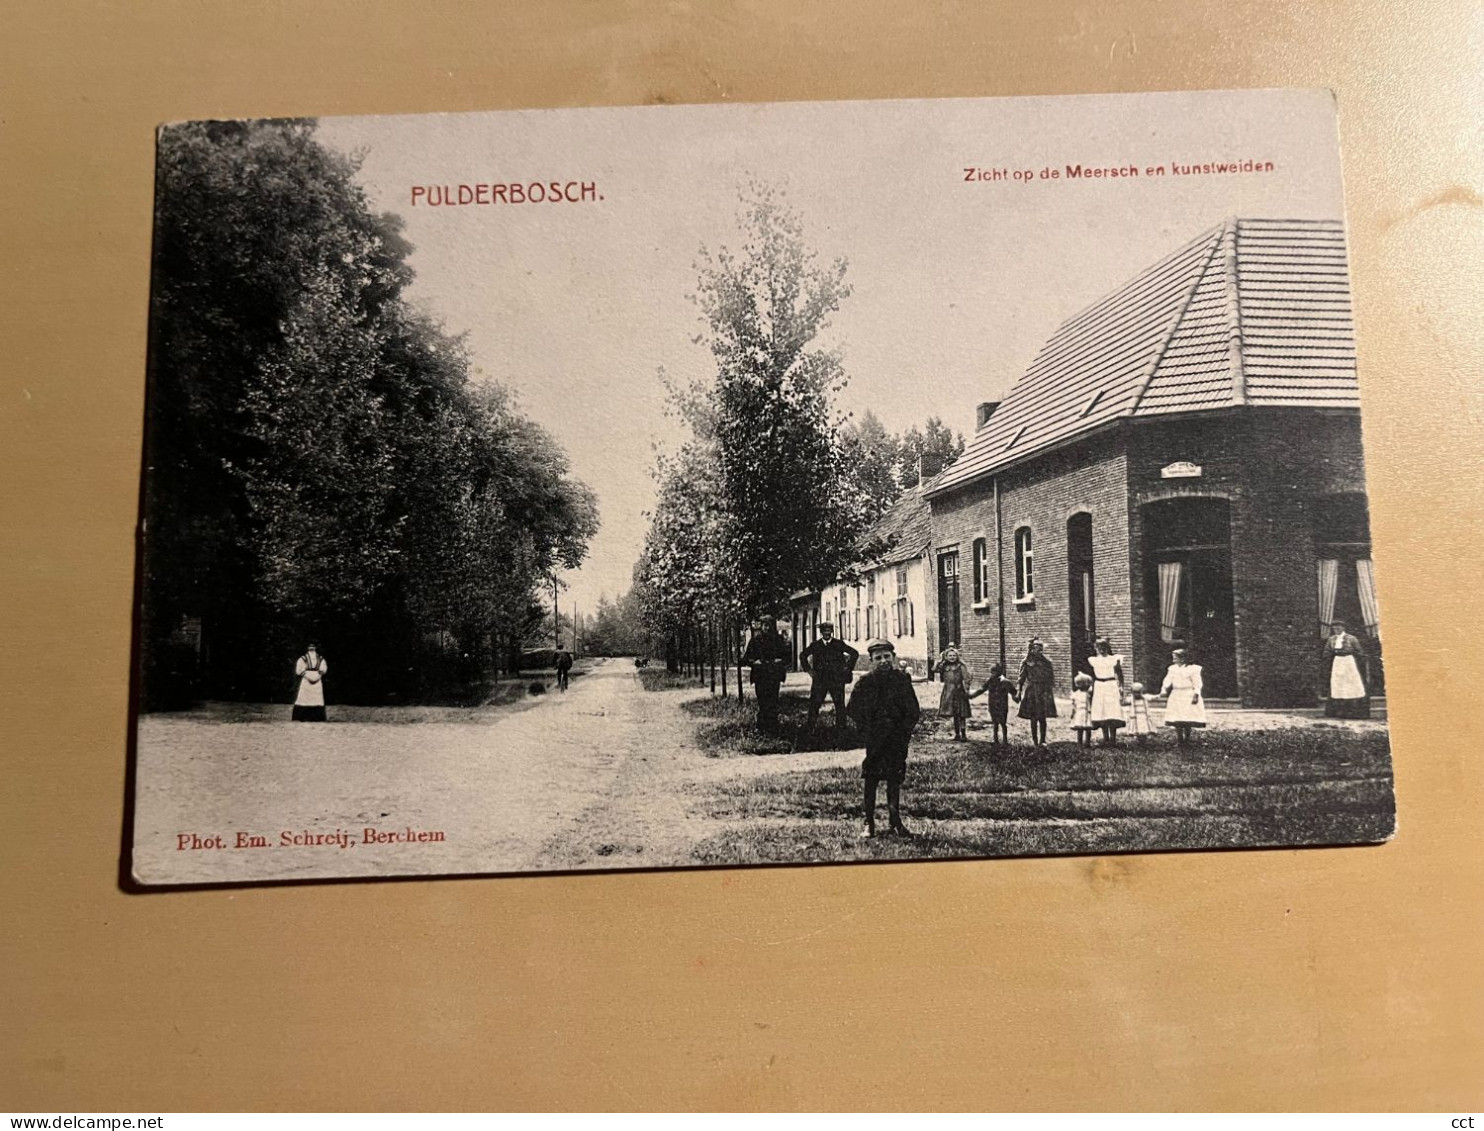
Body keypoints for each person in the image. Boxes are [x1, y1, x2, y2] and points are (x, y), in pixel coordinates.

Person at [847, 639, 922, 838]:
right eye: (878, 658)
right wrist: (868, 729)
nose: (883, 661)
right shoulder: (865, 682)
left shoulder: (901, 680)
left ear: (894, 658)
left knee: (894, 779)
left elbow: (913, 711)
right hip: (875, 739)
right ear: (871, 660)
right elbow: (853, 709)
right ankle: (868, 822)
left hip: (897, 739)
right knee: (871, 779)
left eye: (887, 657)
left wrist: (904, 731)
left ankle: (895, 822)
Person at [800, 621, 859, 731]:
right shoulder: (815, 645)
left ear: (832, 631)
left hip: (836, 680)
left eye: (829, 631)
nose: (827, 633)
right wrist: (809, 670)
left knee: (839, 705)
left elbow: (854, 653)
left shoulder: (838, 644)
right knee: (814, 704)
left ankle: (841, 730)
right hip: (820, 680)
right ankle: (809, 729)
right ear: (821, 632)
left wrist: (847, 668)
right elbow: (803, 656)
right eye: (824, 631)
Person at [741, 617, 790, 733]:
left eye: (769, 625)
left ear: (773, 626)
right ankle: (761, 727)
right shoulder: (755, 640)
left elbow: (787, 656)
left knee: (773, 701)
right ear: (761, 626)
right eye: (764, 625)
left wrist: (780, 661)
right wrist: (754, 662)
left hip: (774, 675)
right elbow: (746, 658)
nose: (767, 628)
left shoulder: (778, 640)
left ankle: (773, 727)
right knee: (762, 701)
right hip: (760, 675)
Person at [1323, 619, 1370, 719]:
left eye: (1339, 627)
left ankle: (1353, 711)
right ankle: (1338, 711)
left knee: (1351, 684)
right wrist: (1332, 655)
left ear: (1343, 628)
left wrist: (1352, 655)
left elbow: (1359, 651)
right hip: (1337, 662)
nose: (1337, 629)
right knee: (1338, 684)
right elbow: (1326, 652)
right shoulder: (1331, 639)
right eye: (1334, 628)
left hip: (1349, 662)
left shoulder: (1352, 638)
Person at [1159, 647, 1206, 745]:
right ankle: (1180, 739)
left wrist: (1196, 694)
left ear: (1183, 658)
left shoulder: (1193, 669)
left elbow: (1197, 683)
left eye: (1175, 658)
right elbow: (1167, 680)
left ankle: (1187, 739)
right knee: (1177, 718)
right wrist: (1164, 689)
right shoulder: (1172, 669)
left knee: (1187, 717)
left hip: (1188, 694)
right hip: (1176, 695)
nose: (1173, 660)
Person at [1016, 638, 1058, 746]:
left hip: (1043, 691)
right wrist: (1018, 692)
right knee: (1033, 717)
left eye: (1041, 650)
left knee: (1042, 717)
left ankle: (1042, 740)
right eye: (1038, 650)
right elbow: (1021, 679)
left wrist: (1048, 691)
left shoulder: (1047, 662)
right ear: (1032, 650)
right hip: (1032, 691)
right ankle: (1035, 740)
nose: (1040, 652)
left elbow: (1051, 678)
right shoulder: (1026, 662)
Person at [1088, 636, 1127, 746]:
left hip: (1111, 686)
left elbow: (1120, 674)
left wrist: (1121, 687)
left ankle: (1113, 739)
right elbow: (1091, 675)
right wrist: (1090, 687)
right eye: (1099, 647)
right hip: (1099, 686)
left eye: (1104, 646)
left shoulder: (1113, 659)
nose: (1101, 649)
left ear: (1107, 647)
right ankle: (1105, 738)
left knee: (1112, 711)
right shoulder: (1093, 660)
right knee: (1102, 712)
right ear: (1096, 647)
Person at [969, 661, 1019, 746]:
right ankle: (995, 740)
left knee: (1003, 723)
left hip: (1002, 705)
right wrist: (972, 696)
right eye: (991, 672)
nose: (992, 674)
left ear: (1000, 672)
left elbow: (1014, 692)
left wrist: (1017, 698)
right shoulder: (990, 681)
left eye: (994, 672)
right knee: (995, 723)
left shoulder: (1006, 682)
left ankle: (1005, 740)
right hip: (992, 705)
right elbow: (982, 689)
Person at [936, 644, 973, 741]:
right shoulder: (944, 666)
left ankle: (964, 734)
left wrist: (966, 689)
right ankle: (957, 734)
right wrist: (940, 660)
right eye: (950, 656)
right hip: (949, 691)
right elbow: (935, 670)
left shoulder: (960, 666)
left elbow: (966, 678)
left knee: (962, 713)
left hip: (959, 691)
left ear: (957, 656)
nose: (952, 658)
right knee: (955, 714)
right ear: (946, 657)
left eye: (954, 656)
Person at [292, 643, 328, 722]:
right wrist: (309, 677)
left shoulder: (320, 659)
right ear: (308, 648)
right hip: (306, 680)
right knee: (304, 698)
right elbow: (299, 670)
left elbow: (323, 669)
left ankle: (316, 718)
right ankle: (302, 717)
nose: (311, 648)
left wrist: (317, 677)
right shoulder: (303, 658)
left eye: (313, 646)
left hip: (316, 680)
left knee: (316, 699)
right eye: (310, 646)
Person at [1069, 672, 1094, 747]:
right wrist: (1073, 713)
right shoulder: (1076, 694)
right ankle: (1079, 742)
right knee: (1080, 728)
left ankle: (1087, 742)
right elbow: (1074, 705)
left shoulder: (1088, 693)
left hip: (1087, 712)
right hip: (1079, 712)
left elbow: (1090, 702)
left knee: (1087, 728)